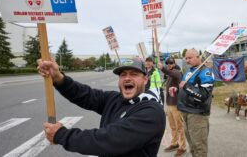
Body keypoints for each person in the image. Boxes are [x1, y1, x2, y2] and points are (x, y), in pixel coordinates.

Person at [37, 58, 166, 157]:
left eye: (134, 74)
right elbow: (85, 95)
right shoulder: (114, 99)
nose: (127, 78)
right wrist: (58, 78)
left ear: (145, 79)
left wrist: (62, 135)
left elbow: (109, 139)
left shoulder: (152, 112)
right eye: (123, 74)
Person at [169, 49, 215, 157]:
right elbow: (185, 88)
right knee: (192, 145)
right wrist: (177, 90)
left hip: (197, 114)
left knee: (199, 147)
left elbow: (203, 95)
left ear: (198, 57)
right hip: (185, 111)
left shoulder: (206, 72)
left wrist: (185, 86)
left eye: (190, 57)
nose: (187, 60)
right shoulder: (189, 71)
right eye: (186, 58)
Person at [157, 57, 186, 157]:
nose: (169, 64)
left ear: (174, 63)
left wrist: (162, 68)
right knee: (173, 126)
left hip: (176, 104)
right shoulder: (169, 73)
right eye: (167, 63)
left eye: (170, 63)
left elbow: (172, 74)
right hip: (169, 104)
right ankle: (174, 143)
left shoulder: (177, 72)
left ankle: (182, 147)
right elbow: (168, 75)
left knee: (179, 127)